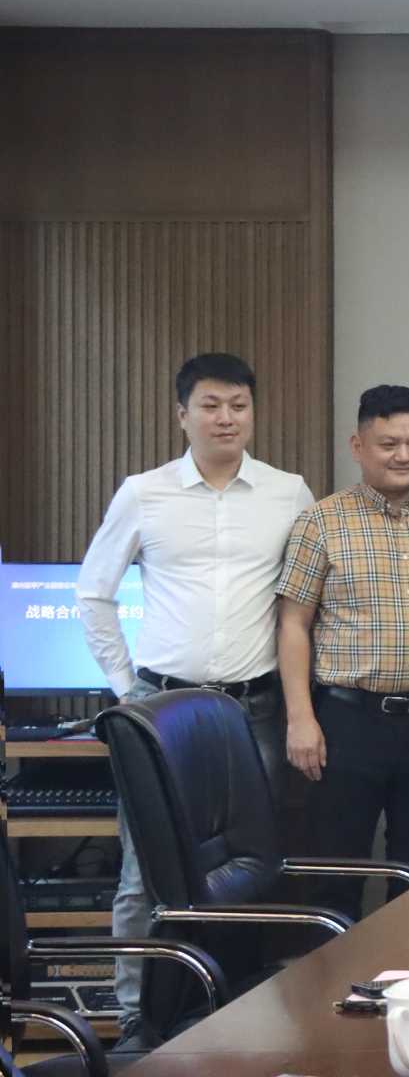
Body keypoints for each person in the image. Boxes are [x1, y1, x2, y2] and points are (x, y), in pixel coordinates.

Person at [75, 352, 313, 1043]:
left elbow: (306, 603)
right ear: (182, 414)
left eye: (238, 405)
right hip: (159, 711)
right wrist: (126, 689)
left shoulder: (288, 492)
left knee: (249, 870)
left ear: (253, 412)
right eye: (210, 405)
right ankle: (135, 1022)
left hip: (252, 712)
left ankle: (229, 1013)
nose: (225, 418)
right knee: (141, 874)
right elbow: (93, 593)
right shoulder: (144, 493)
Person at [275, 385, 409, 918]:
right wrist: (300, 717)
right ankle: (332, 975)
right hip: (347, 724)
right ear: (358, 446)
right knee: (336, 873)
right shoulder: (321, 522)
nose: (404, 455)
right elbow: (293, 623)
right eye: (389, 444)